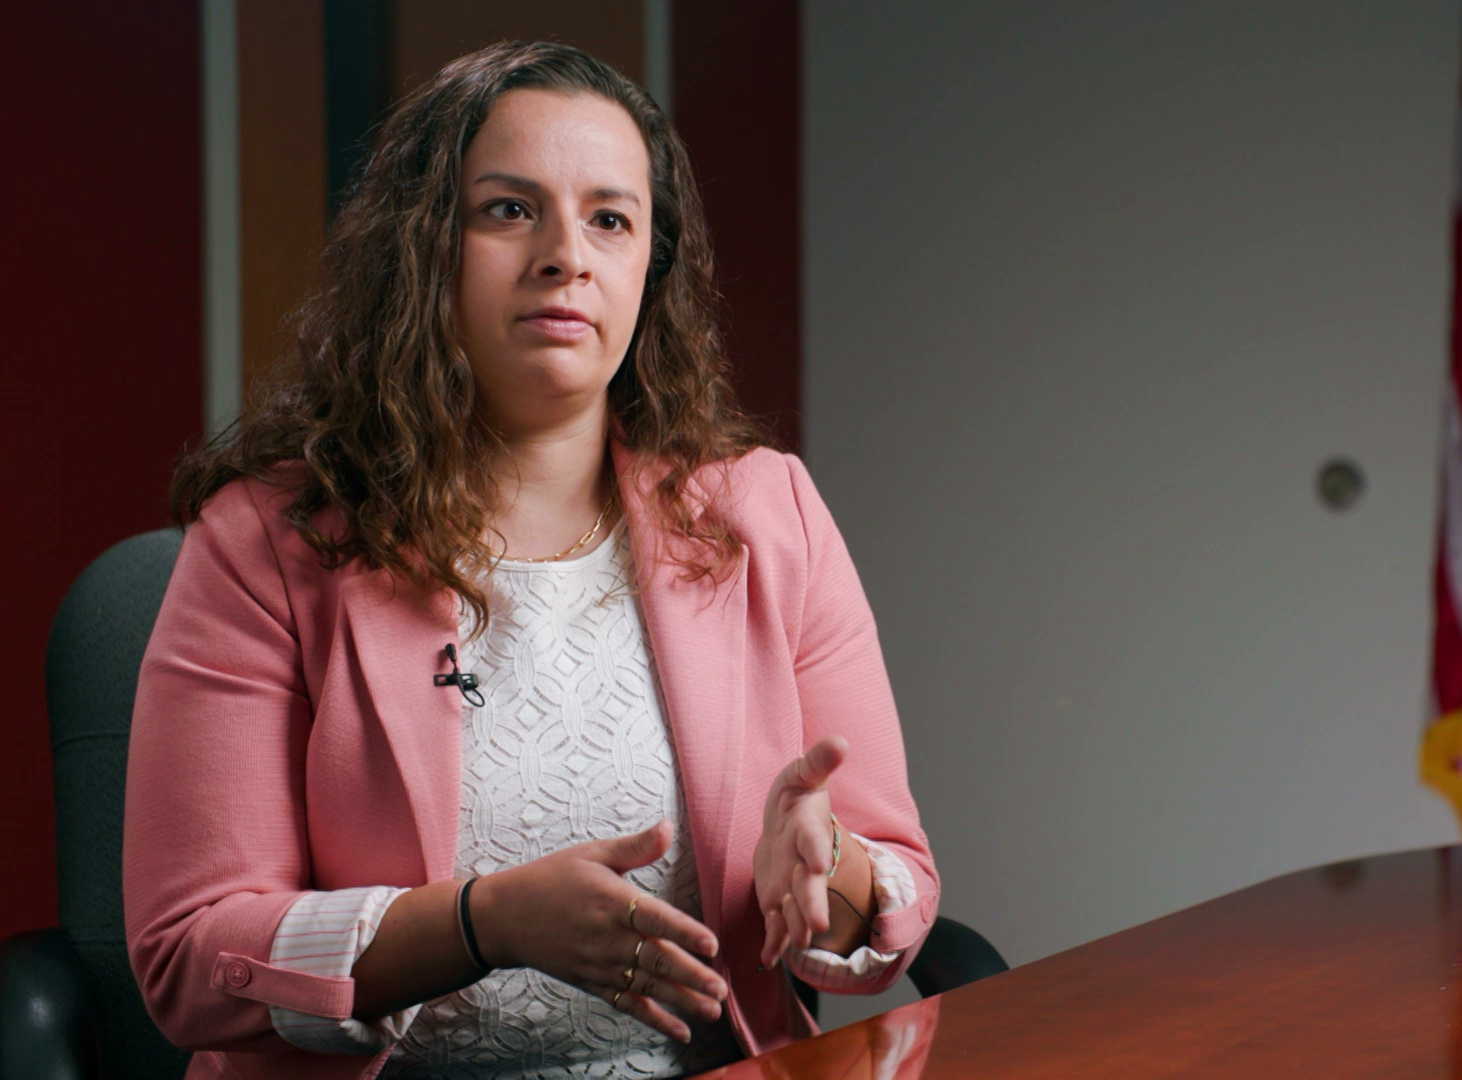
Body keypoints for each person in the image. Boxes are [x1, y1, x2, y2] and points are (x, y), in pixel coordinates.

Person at [123, 41, 938, 1080]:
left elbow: (900, 897)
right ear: (423, 250)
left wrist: (831, 870)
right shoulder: (266, 543)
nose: (567, 254)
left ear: (652, 263)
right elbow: (190, 956)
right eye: (509, 210)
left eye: (610, 218)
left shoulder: (766, 513)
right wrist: (480, 924)